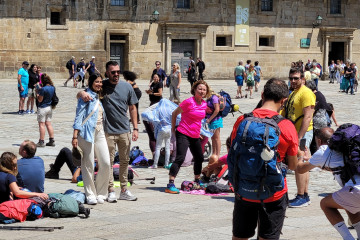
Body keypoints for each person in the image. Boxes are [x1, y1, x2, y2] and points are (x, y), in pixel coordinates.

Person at [228, 78, 298, 240]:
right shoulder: (286, 126)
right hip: (274, 193)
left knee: (240, 236)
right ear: (284, 101)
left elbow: (233, 150)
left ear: (262, 94)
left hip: (243, 189)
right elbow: (293, 165)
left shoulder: (242, 120)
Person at [79, 61, 138, 202]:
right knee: (108, 162)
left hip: (125, 130)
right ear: (107, 73)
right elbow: (87, 91)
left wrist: (135, 128)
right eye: (113, 72)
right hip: (108, 131)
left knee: (125, 161)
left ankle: (124, 189)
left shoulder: (127, 87)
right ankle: (110, 189)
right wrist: (81, 93)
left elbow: (133, 108)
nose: (116, 74)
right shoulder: (102, 85)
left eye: (118, 71)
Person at [297, 127, 360, 240]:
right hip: (355, 189)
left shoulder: (323, 151)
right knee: (348, 205)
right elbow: (334, 167)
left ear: (319, 141)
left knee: (325, 204)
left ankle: (348, 238)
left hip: (356, 189)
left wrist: (300, 155)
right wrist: (311, 159)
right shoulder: (346, 148)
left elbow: (300, 169)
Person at [165, 80, 210, 194]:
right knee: (180, 157)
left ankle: (197, 180)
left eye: (204, 90)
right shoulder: (188, 102)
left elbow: (197, 120)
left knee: (199, 157)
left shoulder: (204, 104)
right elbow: (174, 113)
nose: (202, 91)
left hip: (194, 135)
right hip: (183, 133)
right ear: (194, 90)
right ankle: (170, 184)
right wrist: (173, 128)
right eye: (199, 89)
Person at [72, 73, 111, 205]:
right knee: (88, 164)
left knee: (106, 162)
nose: (99, 84)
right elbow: (79, 116)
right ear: (91, 82)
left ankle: (101, 192)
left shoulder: (99, 96)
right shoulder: (86, 96)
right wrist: (75, 135)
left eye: (100, 82)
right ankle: (90, 194)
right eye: (97, 82)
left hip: (99, 132)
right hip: (86, 133)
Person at [282, 67, 316, 208]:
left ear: (303, 79)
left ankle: (301, 196)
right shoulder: (294, 93)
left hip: (302, 133)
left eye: (296, 78)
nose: (293, 81)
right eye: (291, 78)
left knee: (299, 164)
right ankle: (305, 195)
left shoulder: (306, 93)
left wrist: (300, 137)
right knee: (301, 165)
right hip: (294, 132)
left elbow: (308, 116)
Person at [36, 74, 55, 147]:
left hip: (42, 108)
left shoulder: (43, 89)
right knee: (49, 124)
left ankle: (41, 141)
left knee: (42, 125)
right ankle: (51, 140)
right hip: (49, 107)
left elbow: (40, 100)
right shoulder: (52, 88)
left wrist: (37, 94)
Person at [205, 90, 223, 158]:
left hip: (216, 120)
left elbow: (217, 110)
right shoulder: (209, 98)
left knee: (216, 138)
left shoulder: (214, 98)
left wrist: (210, 119)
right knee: (212, 138)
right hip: (211, 121)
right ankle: (214, 154)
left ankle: (217, 155)